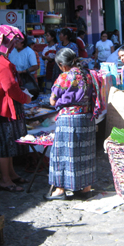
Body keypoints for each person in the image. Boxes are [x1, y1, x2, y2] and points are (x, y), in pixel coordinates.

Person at [0, 25, 32, 192]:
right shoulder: (0, 62)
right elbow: (9, 87)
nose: (12, 47)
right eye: (11, 43)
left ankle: (11, 174)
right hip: (4, 108)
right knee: (5, 144)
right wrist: (25, 98)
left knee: (7, 143)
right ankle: (6, 180)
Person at [44, 48, 97, 200]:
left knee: (63, 154)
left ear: (62, 65)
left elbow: (53, 101)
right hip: (87, 118)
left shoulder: (64, 77)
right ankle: (85, 188)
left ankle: (60, 190)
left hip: (68, 120)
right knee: (85, 153)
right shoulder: (88, 75)